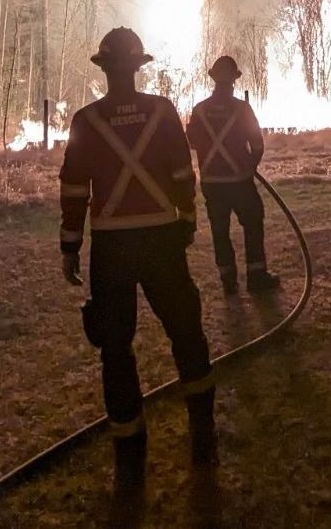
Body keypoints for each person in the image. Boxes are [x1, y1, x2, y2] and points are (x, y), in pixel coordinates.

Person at [58, 27, 217, 492]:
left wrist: (71, 245)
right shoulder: (162, 111)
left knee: (116, 348)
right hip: (162, 241)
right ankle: (203, 440)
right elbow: (181, 174)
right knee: (187, 333)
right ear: (138, 67)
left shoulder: (86, 120)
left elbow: (73, 189)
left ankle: (130, 459)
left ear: (105, 70)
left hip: (112, 249)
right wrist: (185, 221)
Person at [186, 55, 280, 295]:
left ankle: (228, 279)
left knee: (220, 229)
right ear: (234, 80)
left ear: (214, 79)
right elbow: (257, 144)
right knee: (253, 222)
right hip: (240, 181)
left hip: (212, 183)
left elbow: (193, 142)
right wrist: (249, 166)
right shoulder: (241, 108)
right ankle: (257, 276)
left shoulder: (200, 110)